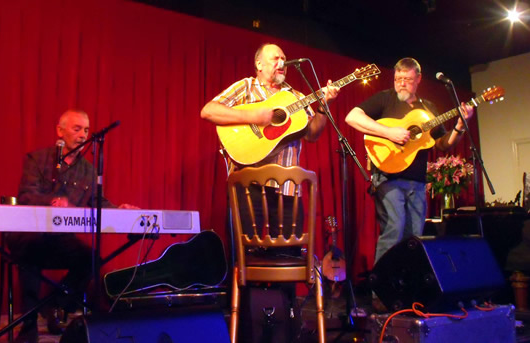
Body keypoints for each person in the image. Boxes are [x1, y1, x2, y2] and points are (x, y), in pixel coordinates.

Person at [7, 109, 136, 342]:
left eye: (86, 130)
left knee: (91, 258)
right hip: (30, 234)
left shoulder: (88, 169)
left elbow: (97, 202)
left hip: (60, 238)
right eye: (77, 129)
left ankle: (56, 304)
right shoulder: (37, 159)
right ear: (60, 130)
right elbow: (26, 194)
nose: (83, 135)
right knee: (31, 254)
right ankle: (28, 327)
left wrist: (119, 210)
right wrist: (51, 202)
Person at [344, 57, 474, 270]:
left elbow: (442, 144)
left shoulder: (428, 109)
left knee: (415, 236)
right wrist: (389, 132)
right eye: (398, 79)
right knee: (394, 230)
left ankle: (407, 289)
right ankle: (382, 292)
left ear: (418, 79)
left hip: (418, 181)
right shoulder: (385, 99)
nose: (401, 83)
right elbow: (352, 117)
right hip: (389, 176)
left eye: (407, 79)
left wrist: (460, 125)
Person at [201, 43, 339, 236]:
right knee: (248, 248)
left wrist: (324, 106)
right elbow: (208, 111)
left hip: (287, 186)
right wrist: (253, 117)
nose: (282, 62)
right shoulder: (246, 86)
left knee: (288, 254)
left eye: (284, 59)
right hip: (249, 182)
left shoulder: (295, 97)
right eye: (275, 59)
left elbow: (312, 135)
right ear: (259, 64)